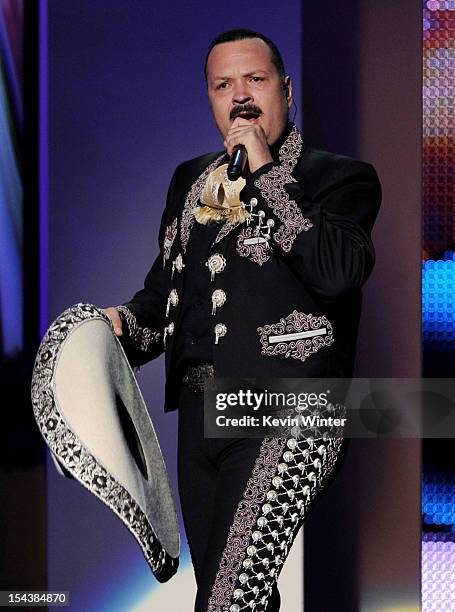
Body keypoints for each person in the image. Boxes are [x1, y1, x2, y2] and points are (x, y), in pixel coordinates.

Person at [104, 28, 381, 612]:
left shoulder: (339, 177)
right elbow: (165, 302)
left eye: (255, 79)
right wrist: (121, 326)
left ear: (285, 88)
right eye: (223, 84)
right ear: (210, 98)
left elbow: (337, 270)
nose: (241, 96)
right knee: (224, 599)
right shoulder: (192, 181)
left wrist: (264, 174)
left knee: (233, 599)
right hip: (201, 413)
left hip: (292, 411)